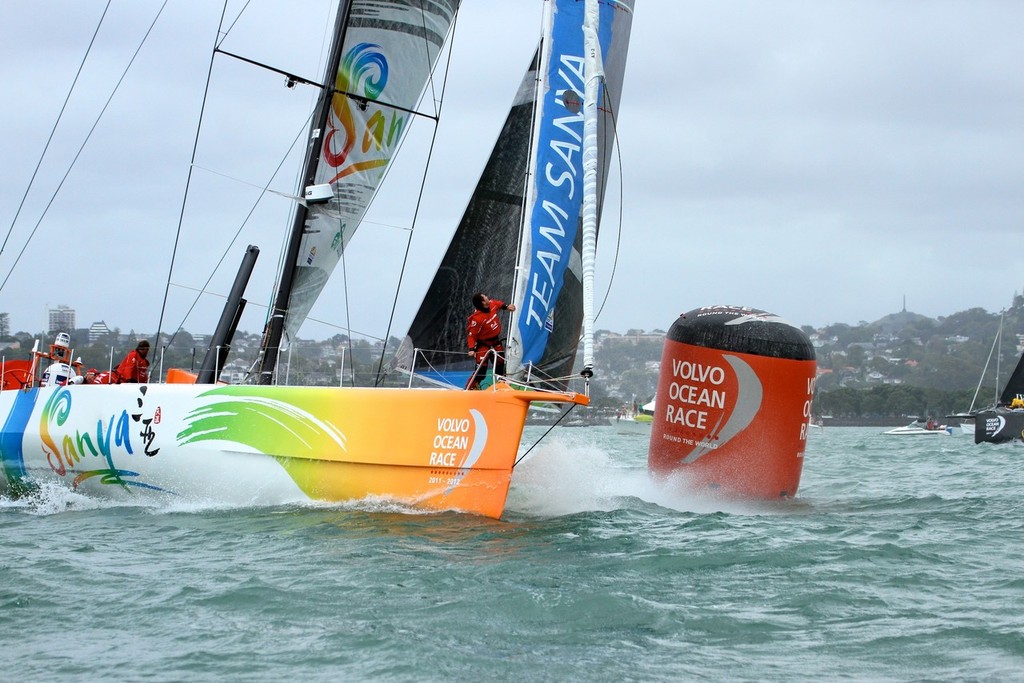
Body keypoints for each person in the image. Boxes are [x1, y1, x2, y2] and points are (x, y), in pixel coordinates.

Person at [465, 293, 515, 390]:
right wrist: (471, 349)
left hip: (495, 341)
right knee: (481, 370)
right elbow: (471, 335)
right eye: (485, 297)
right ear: (483, 302)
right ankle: (470, 388)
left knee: (500, 363)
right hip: (484, 345)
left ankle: (501, 385)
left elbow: (497, 303)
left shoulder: (491, 304)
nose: (488, 297)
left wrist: (506, 307)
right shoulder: (477, 318)